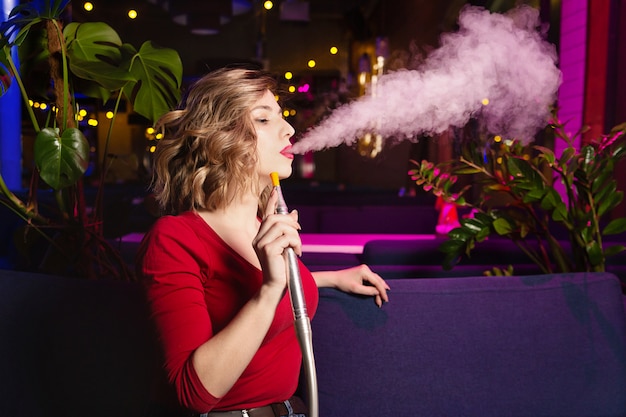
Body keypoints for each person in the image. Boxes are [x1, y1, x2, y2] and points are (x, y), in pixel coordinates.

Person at [137, 67, 390, 417]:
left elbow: (229, 288)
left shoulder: (264, 224)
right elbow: (192, 392)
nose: (289, 130)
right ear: (220, 137)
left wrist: (327, 278)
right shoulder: (173, 238)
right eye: (264, 119)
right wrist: (271, 289)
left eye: (282, 118)